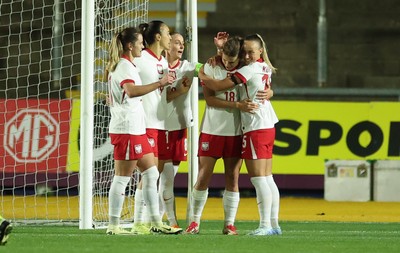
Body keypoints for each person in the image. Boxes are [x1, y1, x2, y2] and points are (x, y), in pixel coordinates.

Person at [198, 33, 282, 236]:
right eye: (245, 52)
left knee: (259, 178)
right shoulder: (264, 66)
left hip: (255, 124)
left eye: (251, 52)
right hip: (267, 122)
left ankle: (265, 226)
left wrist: (201, 73)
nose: (247, 55)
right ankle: (274, 224)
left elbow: (217, 86)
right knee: (268, 177)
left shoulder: (250, 68)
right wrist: (219, 51)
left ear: (260, 51)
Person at [185, 35, 266, 235]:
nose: (230, 64)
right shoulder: (211, 66)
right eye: (227, 60)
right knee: (204, 176)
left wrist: (269, 92)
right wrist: (237, 105)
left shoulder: (244, 69)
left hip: (236, 130)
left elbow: (264, 81)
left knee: (233, 176)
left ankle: (229, 223)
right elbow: (210, 100)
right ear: (221, 53)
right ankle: (194, 222)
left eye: (233, 61)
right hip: (212, 130)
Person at [105, 26, 181, 235]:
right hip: (127, 128)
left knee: (150, 173)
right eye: (139, 42)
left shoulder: (125, 65)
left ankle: (154, 221)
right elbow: (130, 91)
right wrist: (159, 83)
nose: (141, 45)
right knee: (122, 177)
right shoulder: (124, 66)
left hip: (136, 128)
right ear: (130, 45)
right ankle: (113, 224)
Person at [130, 20, 174, 234]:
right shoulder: (141, 59)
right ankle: (140, 221)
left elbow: (162, 92)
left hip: (158, 123)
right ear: (158, 36)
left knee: (152, 174)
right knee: (149, 174)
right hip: (144, 123)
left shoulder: (163, 61)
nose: (170, 36)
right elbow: (127, 83)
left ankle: (144, 222)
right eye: (167, 33)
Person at [158, 32, 202, 228]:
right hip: (162, 127)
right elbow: (161, 97)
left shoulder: (188, 67)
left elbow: (207, 70)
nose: (181, 46)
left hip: (180, 128)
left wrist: (217, 54)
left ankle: (159, 219)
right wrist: (180, 92)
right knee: (164, 179)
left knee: (167, 178)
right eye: (176, 42)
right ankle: (170, 221)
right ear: (168, 46)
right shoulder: (159, 67)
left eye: (182, 43)